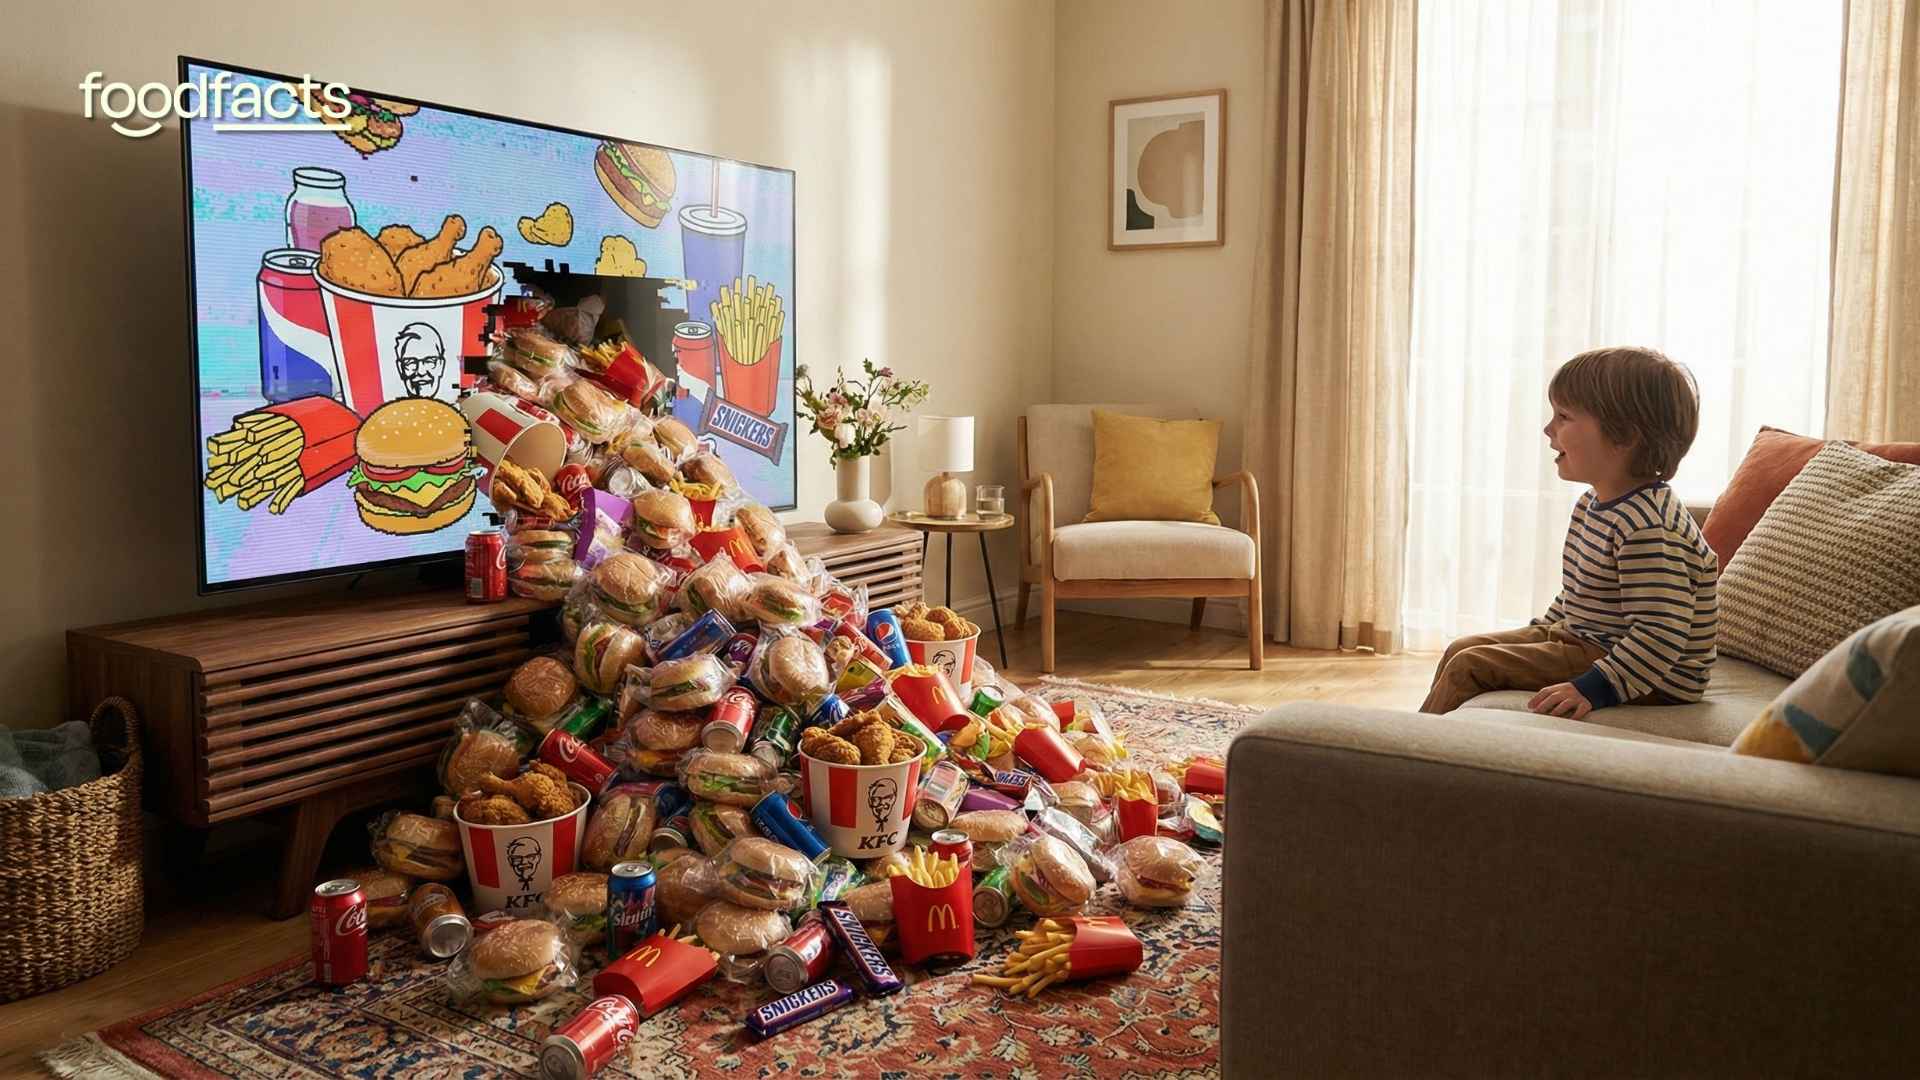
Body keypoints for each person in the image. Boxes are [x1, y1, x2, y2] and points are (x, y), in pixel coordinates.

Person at [1421, 346, 1719, 718]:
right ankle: (1428, 743)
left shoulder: (1649, 527)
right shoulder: (1592, 504)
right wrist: (1542, 632)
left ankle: (1409, 756)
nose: (1548, 429)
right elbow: (1582, 592)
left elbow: (1661, 633)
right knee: (1460, 649)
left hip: (1653, 676)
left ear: (1623, 436)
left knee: (1471, 665)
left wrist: (1595, 687)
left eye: (1563, 416)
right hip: (1588, 639)